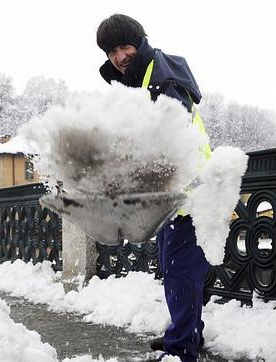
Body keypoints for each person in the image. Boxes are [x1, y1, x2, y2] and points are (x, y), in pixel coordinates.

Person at [96, 14, 211, 362]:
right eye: (111, 51)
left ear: (140, 41)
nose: (119, 56)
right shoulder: (140, 79)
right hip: (169, 196)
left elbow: (167, 143)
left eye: (125, 46)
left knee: (181, 272)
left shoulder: (162, 79)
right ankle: (187, 333)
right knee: (174, 267)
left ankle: (182, 349)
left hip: (188, 193)